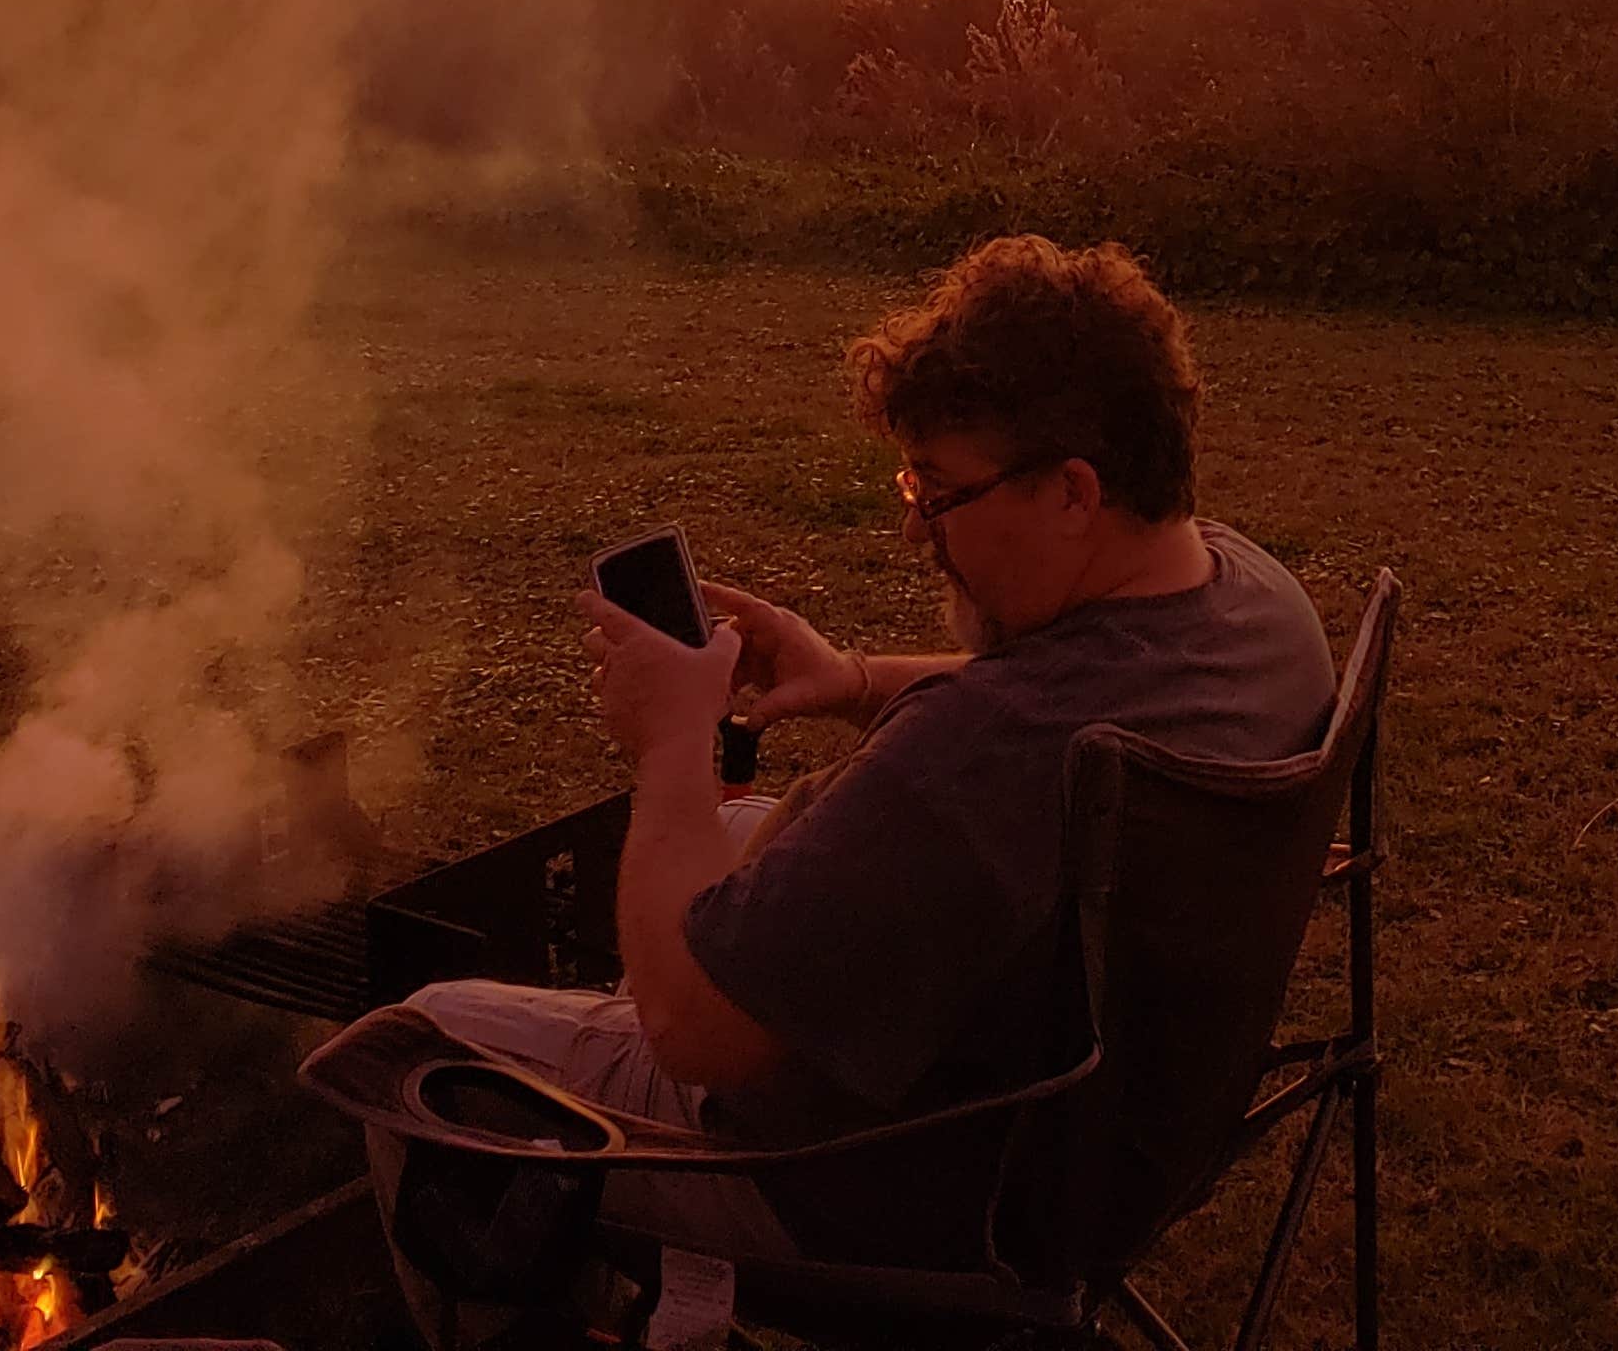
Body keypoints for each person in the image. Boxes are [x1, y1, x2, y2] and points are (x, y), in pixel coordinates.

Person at [400, 234, 1335, 1273]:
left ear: (1074, 492)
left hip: (881, 1187)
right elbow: (1040, 708)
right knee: (746, 835)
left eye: (939, 494)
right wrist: (851, 677)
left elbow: (694, 1031)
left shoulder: (982, 763)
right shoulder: (1254, 604)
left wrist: (670, 748)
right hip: (1090, 1132)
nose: (916, 532)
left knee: (419, 1043)